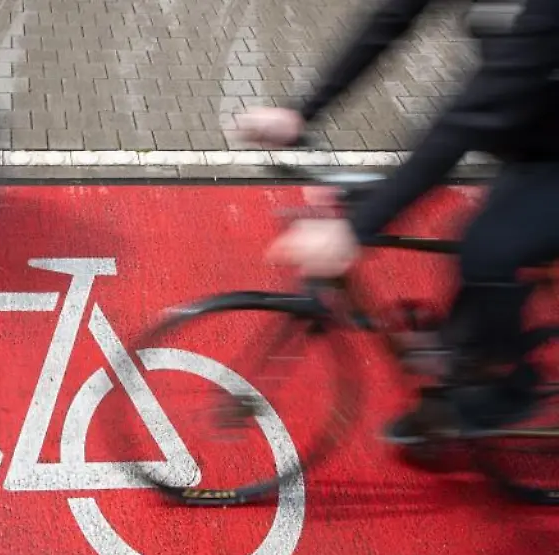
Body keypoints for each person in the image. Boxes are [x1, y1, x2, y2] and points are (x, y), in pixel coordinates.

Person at [239, 0, 559, 444]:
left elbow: (470, 117)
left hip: (543, 151)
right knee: (407, 215)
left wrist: (354, 232)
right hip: (530, 134)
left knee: (488, 246)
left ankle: (506, 385)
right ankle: (453, 387)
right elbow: (390, 20)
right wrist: (302, 112)